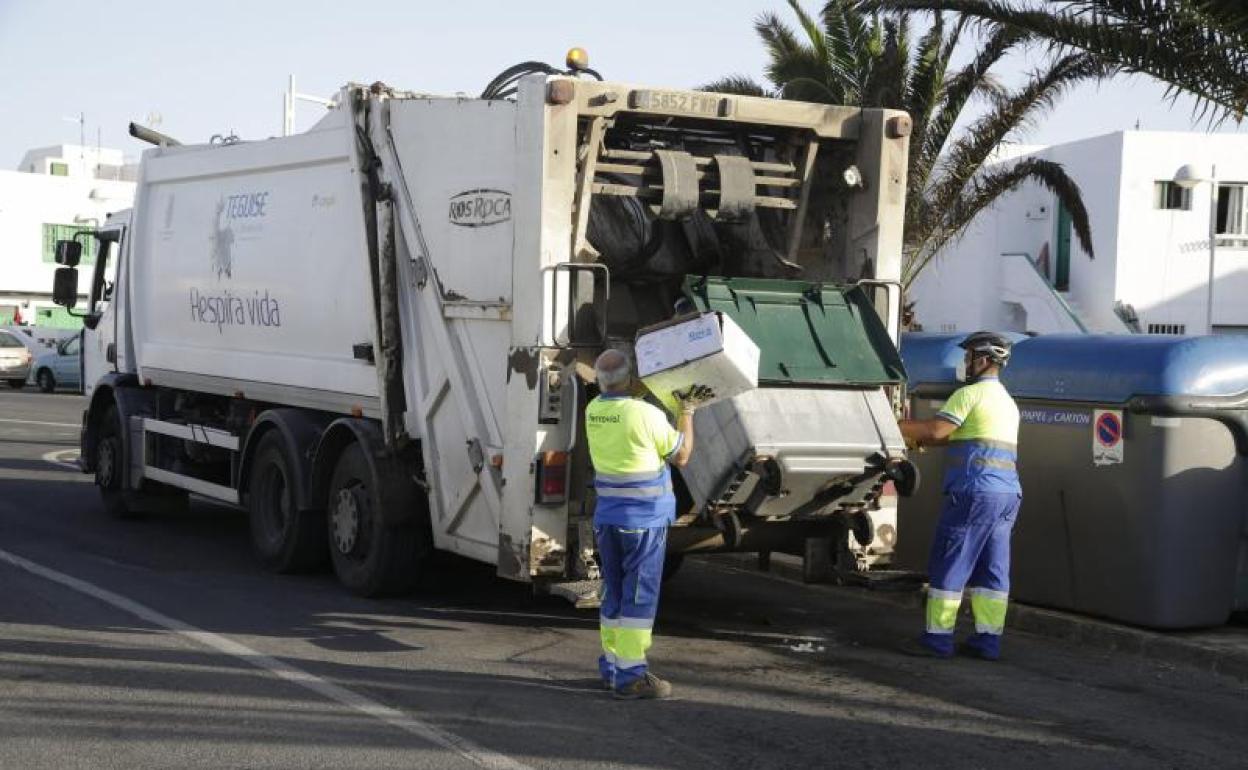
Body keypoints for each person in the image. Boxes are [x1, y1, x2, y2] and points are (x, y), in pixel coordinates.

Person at [585, 348, 708, 699]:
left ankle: (612, 667)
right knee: (639, 597)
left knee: (614, 592)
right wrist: (686, 412)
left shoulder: (593, 411)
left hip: (608, 519)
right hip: (643, 520)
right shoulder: (646, 414)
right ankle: (630, 676)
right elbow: (682, 455)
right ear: (632, 379)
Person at [898, 332, 1021, 660]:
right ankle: (988, 640)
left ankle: (937, 638)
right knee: (992, 568)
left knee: (951, 560)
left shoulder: (969, 395)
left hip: (973, 493)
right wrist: (922, 441)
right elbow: (962, 437)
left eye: (968, 357)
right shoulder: (1007, 402)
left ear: (983, 360)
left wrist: (893, 426)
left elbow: (936, 430)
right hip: (1007, 495)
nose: (965, 363)